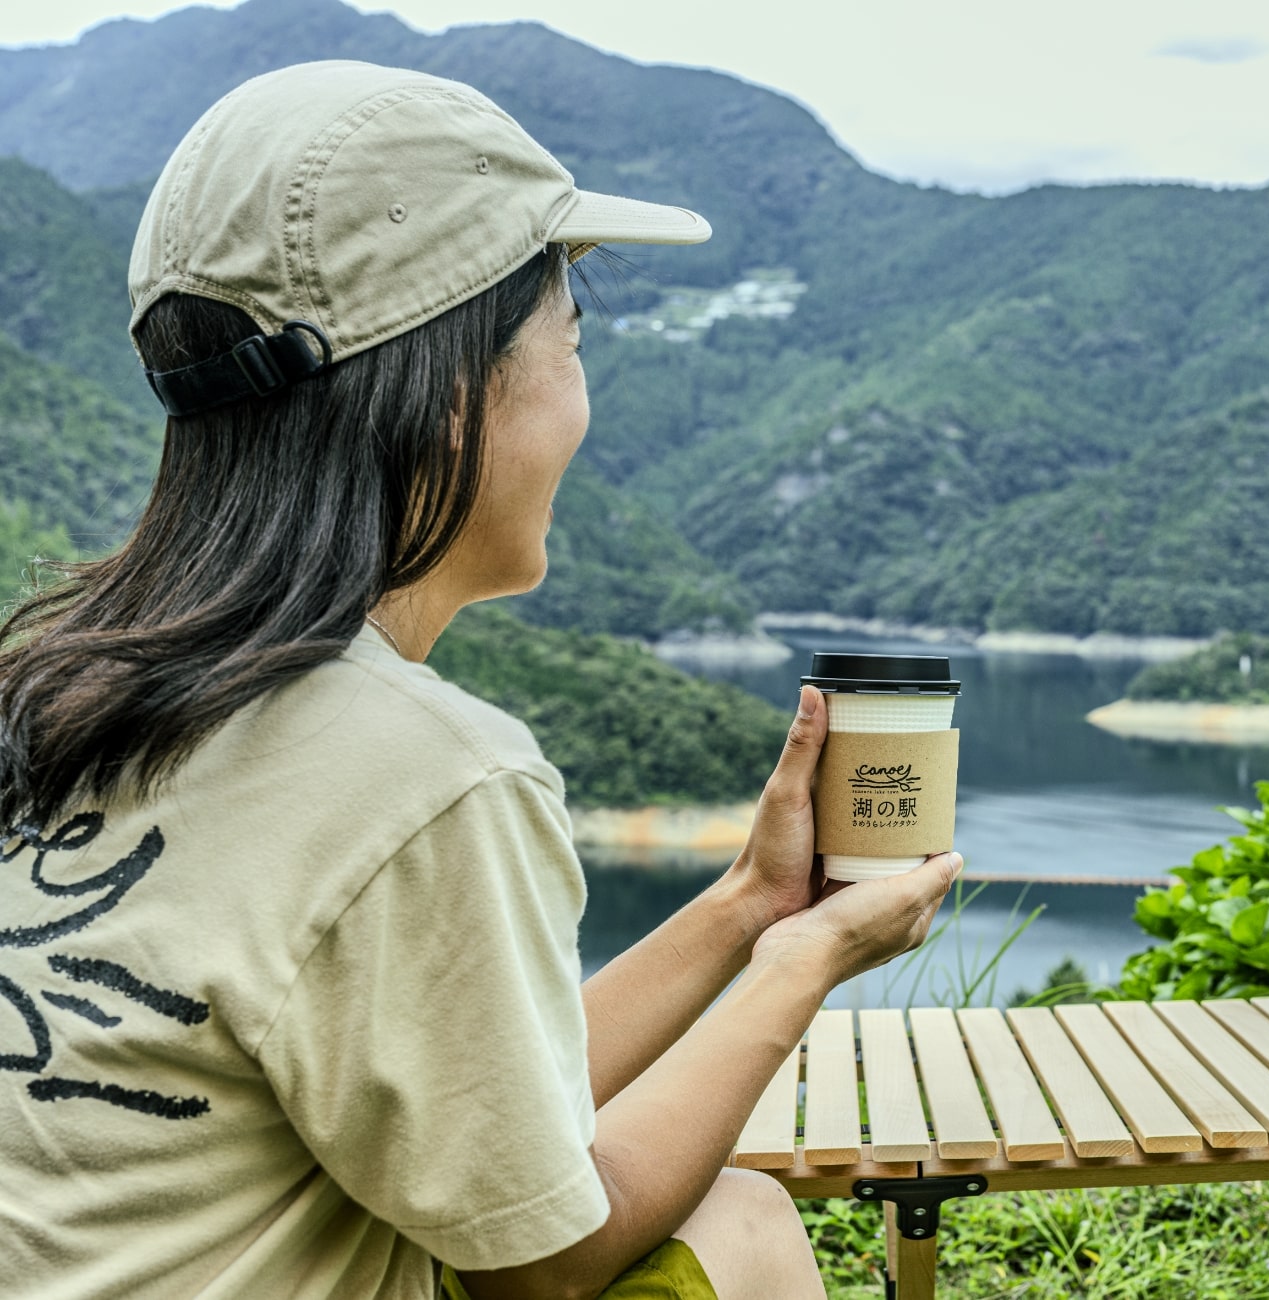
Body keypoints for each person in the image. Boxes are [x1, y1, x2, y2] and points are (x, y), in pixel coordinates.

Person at [0, 61, 958, 1300]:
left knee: (738, 1215)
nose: (581, 401)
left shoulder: (58, 684)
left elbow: (495, 1116)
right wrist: (802, 966)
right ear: (456, 401)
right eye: (570, 341)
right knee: (747, 1227)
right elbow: (546, 1257)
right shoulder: (421, 770)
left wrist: (746, 908)